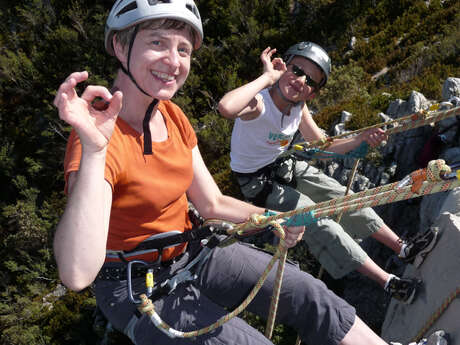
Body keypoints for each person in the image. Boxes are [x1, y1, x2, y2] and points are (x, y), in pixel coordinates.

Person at [52, 1, 447, 345]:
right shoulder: (96, 142)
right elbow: (76, 273)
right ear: (121, 45)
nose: (174, 62)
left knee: (309, 292)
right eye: (157, 42)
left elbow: (211, 202)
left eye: (184, 49)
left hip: (193, 252)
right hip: (135, 284)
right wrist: (94, 149)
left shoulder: (172, 116)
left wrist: (276, 221)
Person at [218, 42, 439, 304]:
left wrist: (360, 140)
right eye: (297, 70)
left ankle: (403, 247)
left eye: (310, 80)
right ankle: (389, 282)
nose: (300, 80)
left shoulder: (299, 108)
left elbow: (324, 147)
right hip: (259, 183)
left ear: (312, 94)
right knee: (318, 220)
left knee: (343, 197)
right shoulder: (259, 104)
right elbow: (226, 108)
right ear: (284, 67)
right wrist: (267, 77)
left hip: (284, 165)